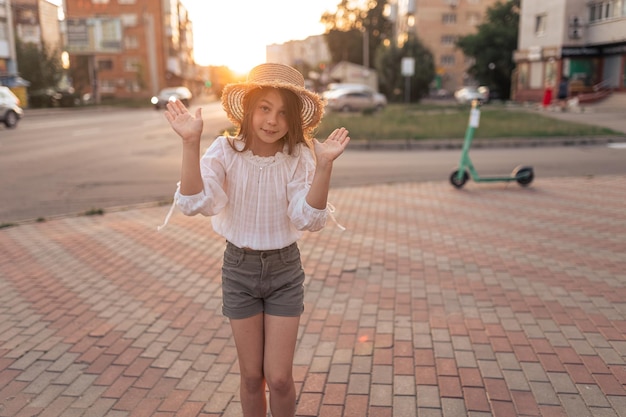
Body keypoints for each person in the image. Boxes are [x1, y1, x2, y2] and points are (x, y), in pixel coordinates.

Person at [160, 63, 350, 417]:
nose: (272, 121)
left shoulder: (298, 158)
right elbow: (194, 201)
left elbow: (308, 218)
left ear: (294, 120)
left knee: (278, 378)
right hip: (239, 270)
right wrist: (190, 143)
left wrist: (324, 166)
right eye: (264, 108)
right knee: (251, 377)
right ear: (248, 110)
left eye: (282, 113)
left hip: (284, 272)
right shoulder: (224, 151)